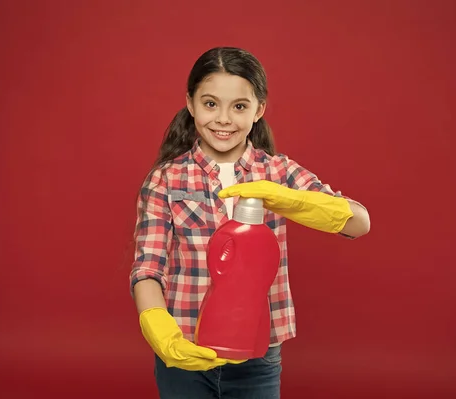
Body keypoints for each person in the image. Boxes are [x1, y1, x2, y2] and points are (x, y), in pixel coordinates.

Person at [130, 46, 370, 398]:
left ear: (259, 109)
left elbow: (359, 222)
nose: (224, 119)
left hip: (258, 354)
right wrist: (157, 326)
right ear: (191, 103)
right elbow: (148, 267)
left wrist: (293, 200)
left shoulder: (279, 172)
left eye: (239, 106)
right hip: (185, 344)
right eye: (210, 103)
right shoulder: (166, 180)